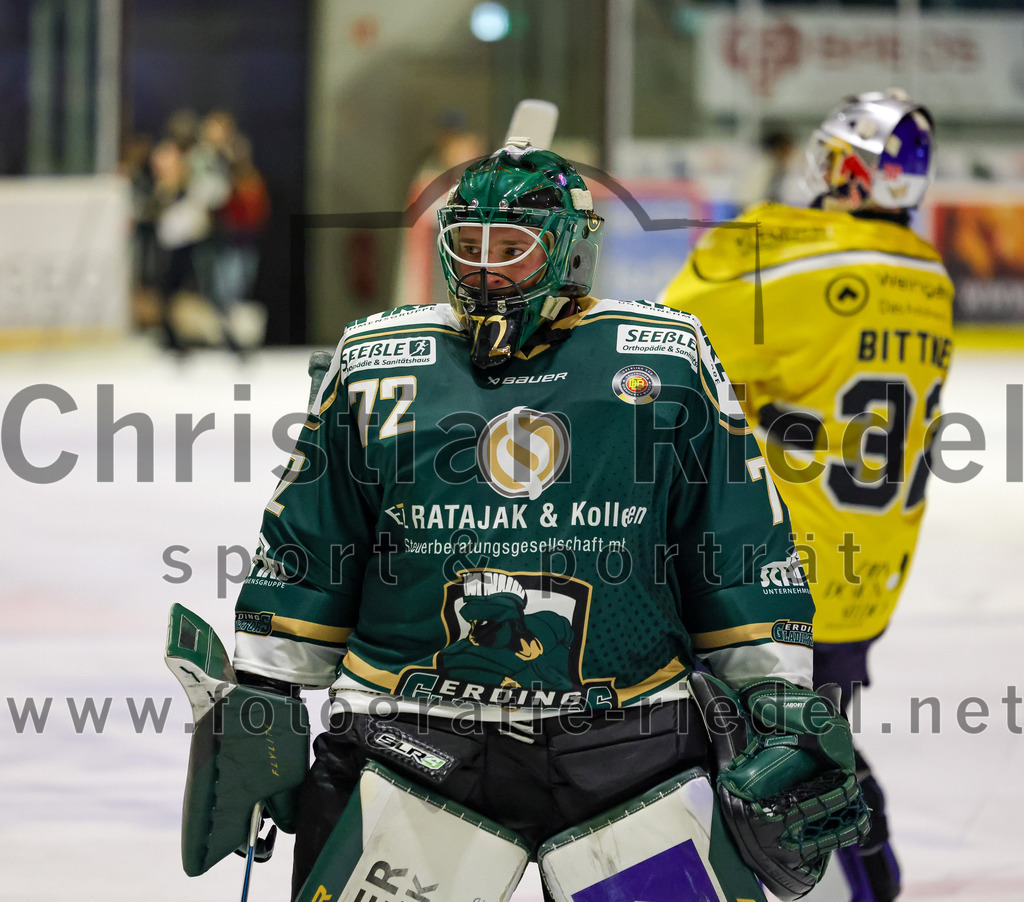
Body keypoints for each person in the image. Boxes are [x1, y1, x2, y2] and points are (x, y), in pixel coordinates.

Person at [212, 142, 866, 900]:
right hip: (408, 731)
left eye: (510, 250)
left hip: (629, 740)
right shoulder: (378, 361)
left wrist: (774, 690)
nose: (484, 271)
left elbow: (733, 536)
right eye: (469, 246)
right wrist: (265, 690)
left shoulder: (665, 356)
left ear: (569, 253)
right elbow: (313, 538)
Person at [659, 89, 955, 901]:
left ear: (849, 170)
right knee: (811, 747)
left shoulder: (783, 251)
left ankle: (861, 880)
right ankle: (872, 875)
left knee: (750, 771)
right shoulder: (929, 277)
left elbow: (662, 347)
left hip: (772, 574)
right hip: (863, 580)